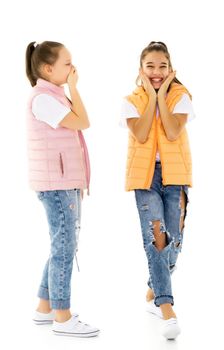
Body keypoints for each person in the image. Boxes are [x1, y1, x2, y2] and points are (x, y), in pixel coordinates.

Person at [120, 41, 195, 340]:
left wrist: (162, 94)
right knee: (157, 239)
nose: (156, 71)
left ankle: (153, 290)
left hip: (176, 176)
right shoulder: (130, 100)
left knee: (174, 241)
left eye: (162, 66)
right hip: (145, 178)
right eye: (150, 66)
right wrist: (150, 96)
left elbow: (173, 130)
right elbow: (139, 134)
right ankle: (167, 309)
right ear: (140, 70)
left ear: (171, 69)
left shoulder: (181, 96)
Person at [25, 41, 99, 338]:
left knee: (63, 244)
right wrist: (75, 88)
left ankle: (45, 307)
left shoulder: (51, 96)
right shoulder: (43, 99)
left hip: (64, 182)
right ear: (48, 68)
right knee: (64, 247)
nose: (73, 68)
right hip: (57, 184)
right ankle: (62, 316)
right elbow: (84, 122)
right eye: (67, 63)